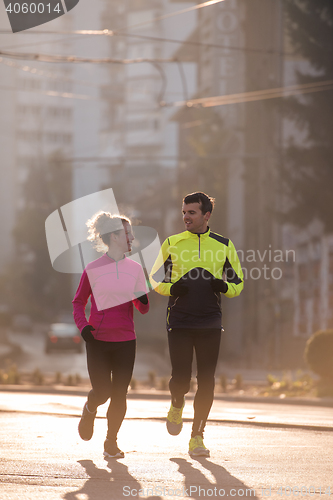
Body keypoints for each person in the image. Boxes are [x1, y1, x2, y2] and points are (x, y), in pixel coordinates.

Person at [149, 192, 243, 457]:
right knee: (181, 378)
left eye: (191, 212)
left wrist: (223, 285)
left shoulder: (224, 245)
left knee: (207, 381)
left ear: (206, 215)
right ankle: (176, 404)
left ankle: (197, 437)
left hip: (210, 321)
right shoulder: (172, 242)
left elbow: (238, 284)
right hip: (179, 320)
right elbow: (154, 279)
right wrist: (171, 288)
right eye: (183, 212)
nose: (185, 217)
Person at [73, 212, 149, 458]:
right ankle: (90, 407)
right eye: (127, 233)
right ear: (115, 236)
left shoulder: (135, 269)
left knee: (119, 394)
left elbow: (144, 309)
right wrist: (84, 327)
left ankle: (111, 442)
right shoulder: (93, 269)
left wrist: (141, 296)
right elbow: (78, 302)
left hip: (126, 341)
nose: (131, 237)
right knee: (103, 392)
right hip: (98, 340)